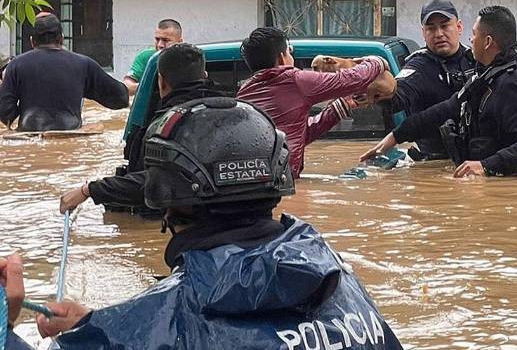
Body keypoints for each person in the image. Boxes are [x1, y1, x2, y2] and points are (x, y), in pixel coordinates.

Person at [3, 97, 403, 349]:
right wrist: (99, 324)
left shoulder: (157, 321)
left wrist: (5, 328)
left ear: (166, 206)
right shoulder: (339, 280)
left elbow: (169, 322)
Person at [362, 5, 517, 178]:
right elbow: (448, 108)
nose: (470, 40)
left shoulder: (514, 82)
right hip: (486, 179)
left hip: (512, 189)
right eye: (431, 28)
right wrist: (395, 136)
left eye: (473, 34)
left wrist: (485, 166)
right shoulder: (486, 74)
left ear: (487, 42)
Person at [58, 43, 226, 213]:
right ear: (205, 75)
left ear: (161, 82)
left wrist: (88, 190)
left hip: (189, 225)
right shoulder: (238, 113)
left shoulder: (166, 127)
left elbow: (154, 183)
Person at [236, 27, 389, 178]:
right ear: (282, 58)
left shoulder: (244, 91)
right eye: (290, 52)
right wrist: (377, 62)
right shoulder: (294, 80)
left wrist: (339, 108)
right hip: (282, 179)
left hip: (251, 179)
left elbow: (292, 134)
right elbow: (350, 80)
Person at [380, 0, 475, 161]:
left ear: (459, 27)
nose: (439, 34)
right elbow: (397, 97)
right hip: (435, 163)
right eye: (431, 28)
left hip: (476, 160)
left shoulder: (475, 59)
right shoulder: (419, 66)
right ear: (423, 33)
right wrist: (383, 88)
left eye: (445, 26)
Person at [0, 12, 128, 132]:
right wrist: (86, 89)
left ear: (32, 41)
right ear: (61, 39)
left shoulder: (15, 65)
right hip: (71, 134)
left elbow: (5, 114)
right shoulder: (83, 64)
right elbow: (121, 98)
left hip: (29, 136)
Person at [122, 18, 183, 95]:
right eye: (157, 39)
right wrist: (151, 87)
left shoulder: (191, 57)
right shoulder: (146, 57)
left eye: (166, 40)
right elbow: (127, 86)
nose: (160, 45)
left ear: (179, 42)